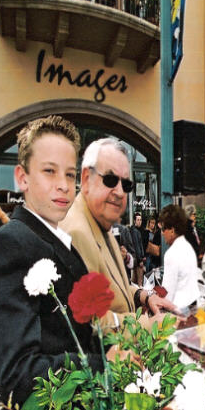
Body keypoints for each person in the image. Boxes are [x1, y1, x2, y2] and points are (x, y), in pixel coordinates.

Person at [0, 115, 105, 407]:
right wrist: (103, 364)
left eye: (70, 175)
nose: (63, 185)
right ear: (22, 177)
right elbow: (18, 375)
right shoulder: (9, 245)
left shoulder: (55, 238)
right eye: (50, 171)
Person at [61, 138, 176, 330]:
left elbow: (112, 287)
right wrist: (147, 324)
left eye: (127, 185)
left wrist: (144, 296)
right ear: (86, 179)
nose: (120, 192)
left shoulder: (100, 222)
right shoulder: (76, 231)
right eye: (110, 180)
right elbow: (91, 321)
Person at [159, 204, 200, 309]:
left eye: (163, 229)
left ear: (172, 230)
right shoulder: (188, 248)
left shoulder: (172, 253)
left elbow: (167, 294)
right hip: (193, 307)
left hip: (178, 312)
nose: (162, 233)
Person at [129, 212, 145, 285]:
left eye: (140, 220)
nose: (139, 221)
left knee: (134, 281)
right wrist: (140, 260)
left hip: (135, 260)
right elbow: (137, 246)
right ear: (134, 221)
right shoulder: (135, 231)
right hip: (138, 260)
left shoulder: (134, 230)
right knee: (139, 282)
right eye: (138, 220)